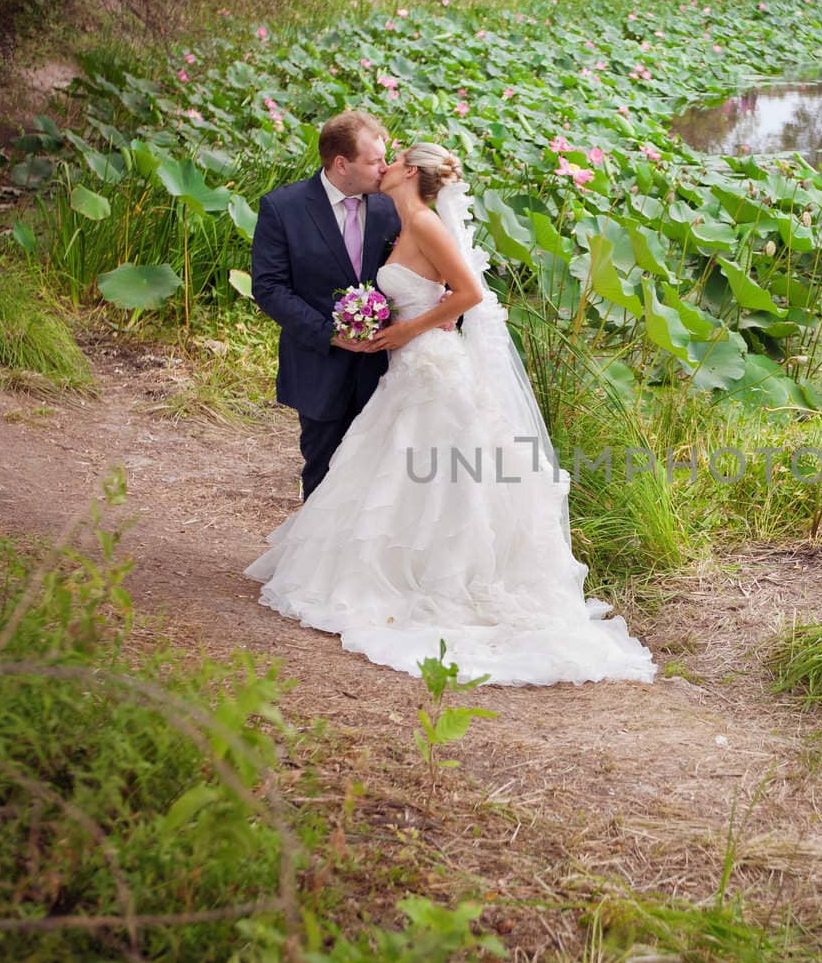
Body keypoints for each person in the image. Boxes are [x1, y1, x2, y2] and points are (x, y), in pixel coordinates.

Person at [245, 142, 657, 687]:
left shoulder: (425, 223)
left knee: (437, 471)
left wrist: (401, 330)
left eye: (392, 159)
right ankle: (389, 571)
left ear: (410, 171)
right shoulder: (405, 218)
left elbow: (468, 294)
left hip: (429, 364)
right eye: (377, 157)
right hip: (408, 366)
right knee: (394, 466)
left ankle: (438, 582)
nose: (383, 164)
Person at [250, 111, 399, 500]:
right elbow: (269, 288)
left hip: (384, 370)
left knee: (380, 480)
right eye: (374, 161)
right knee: (323, 472)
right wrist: (331, 334)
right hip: (318, 366)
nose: (385, 169)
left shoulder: (391, 207)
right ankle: (313, 560)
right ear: (340, 164)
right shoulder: (283, 208)